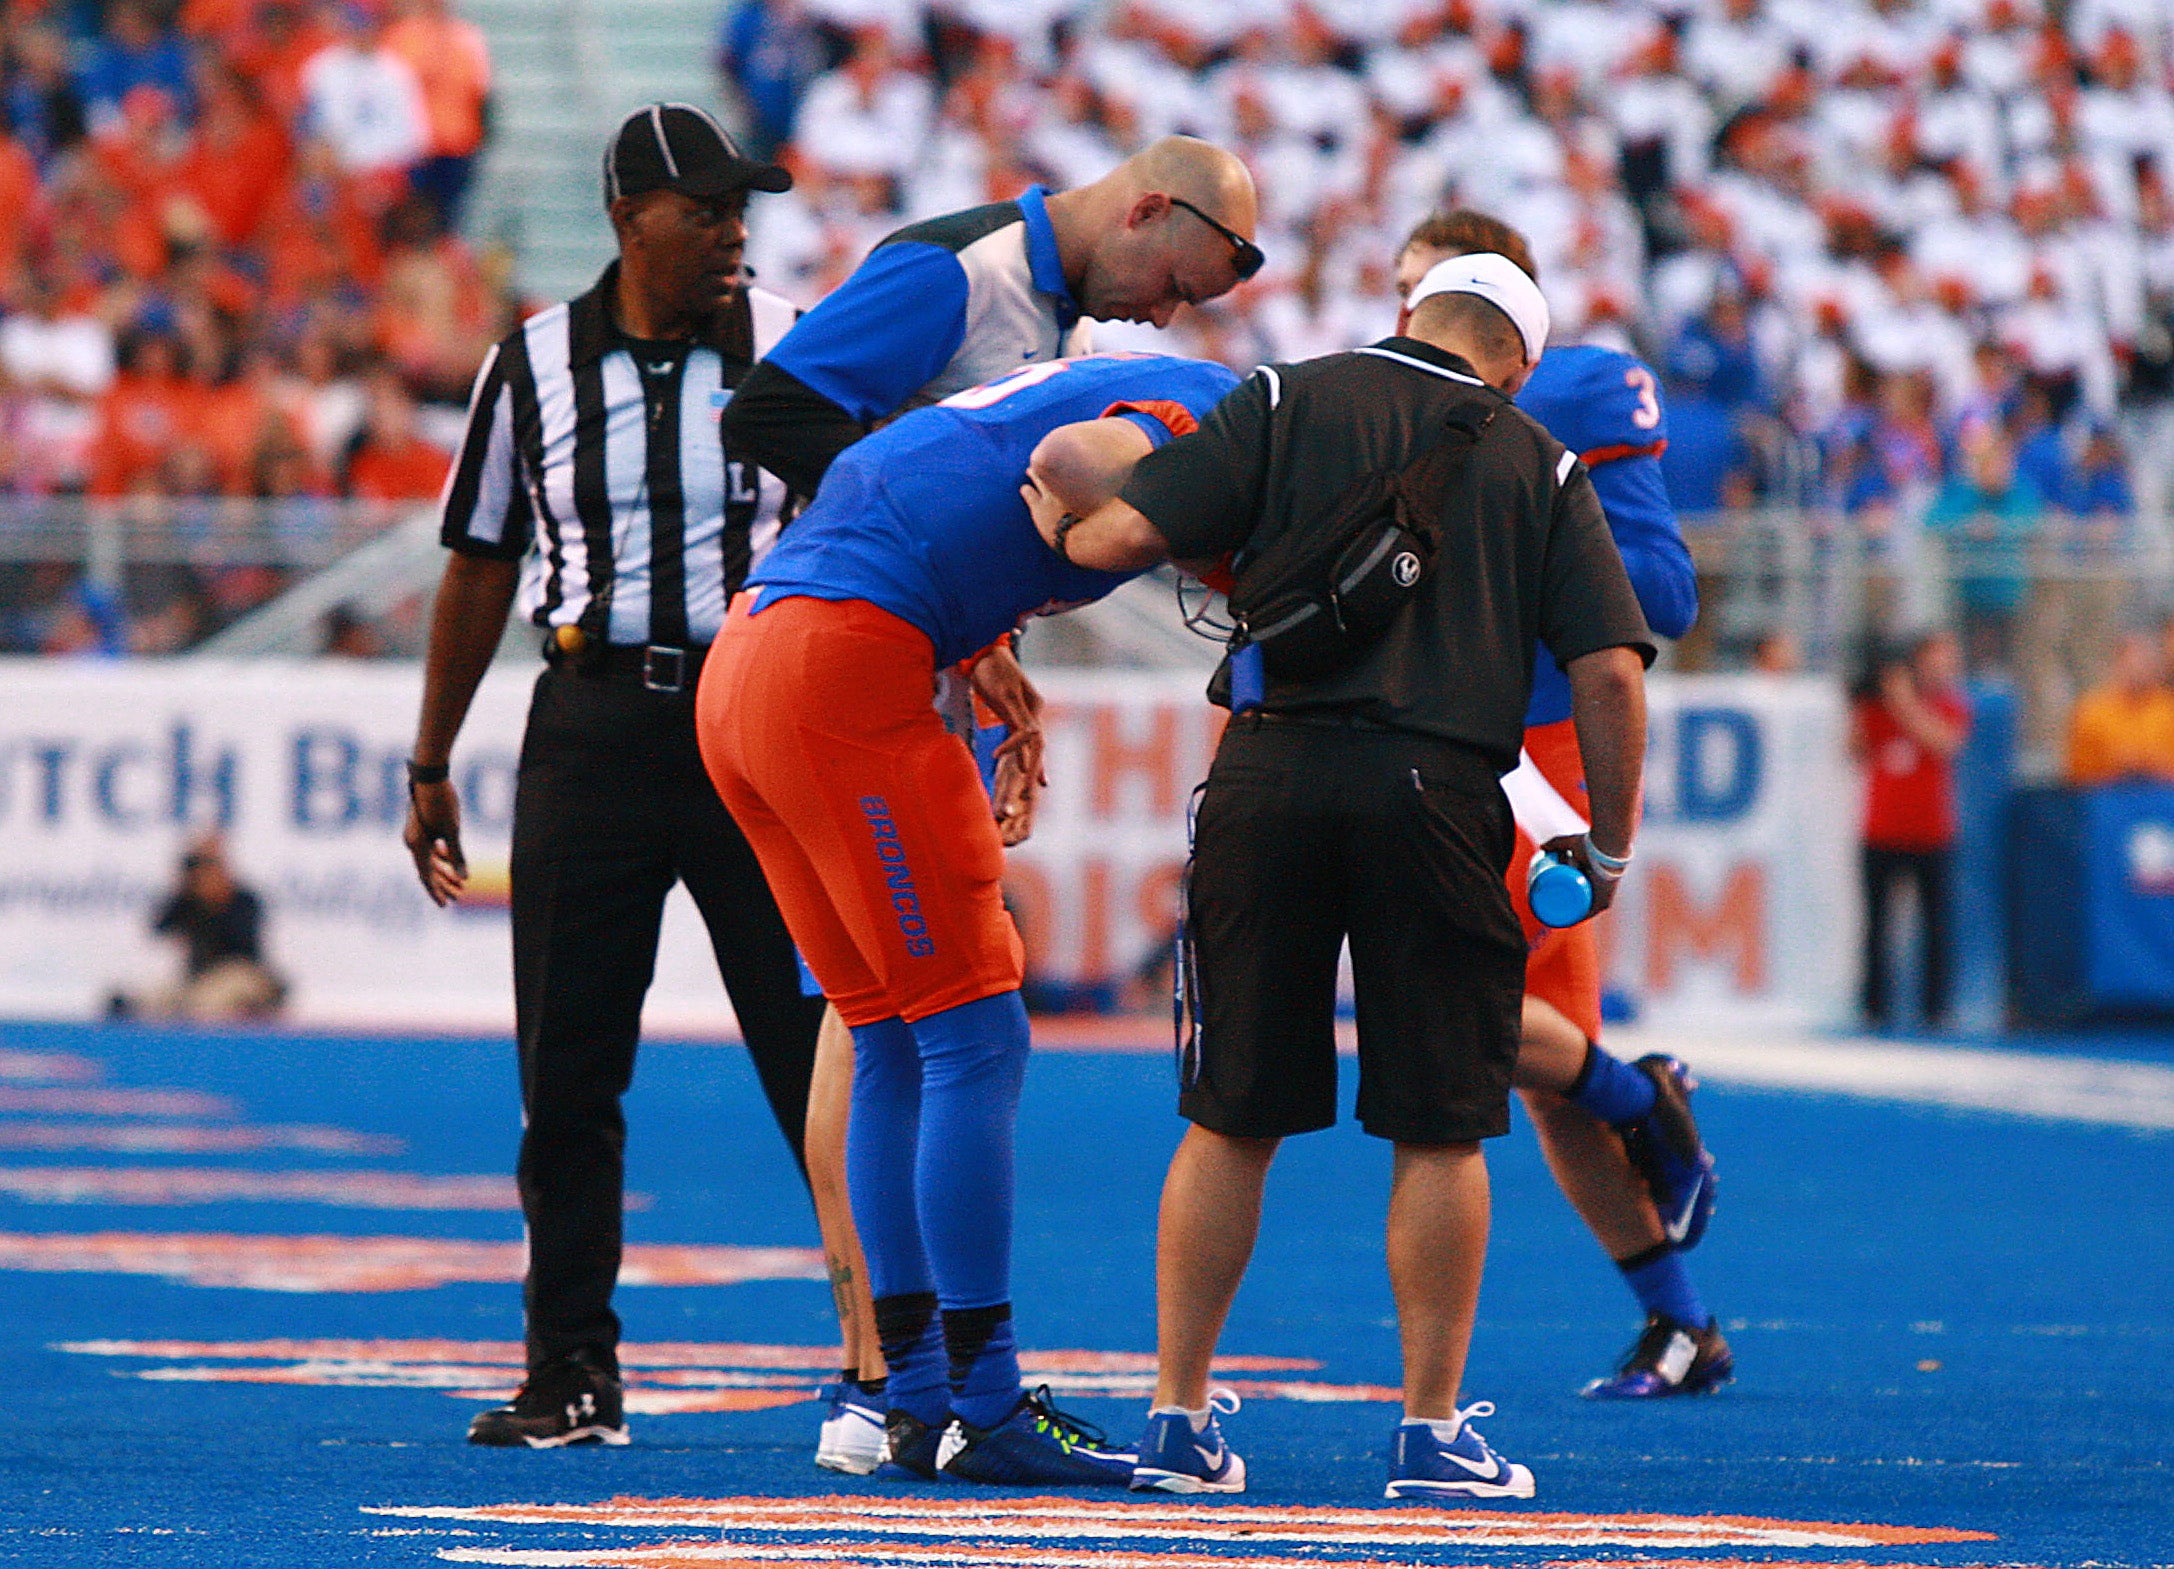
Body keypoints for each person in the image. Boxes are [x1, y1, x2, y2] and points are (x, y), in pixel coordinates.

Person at [1029, 255, 1654, 1502]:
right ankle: (1427, 1433)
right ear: (1516, 363)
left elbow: (1133, 526)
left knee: (1230, 1114)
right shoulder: (1537, 458)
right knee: (1439, 1122)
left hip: (1266, 777)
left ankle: (1176, 1415)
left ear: (1405, 317)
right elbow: (1611, 672)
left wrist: (1052, 510)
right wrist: (1610, 842)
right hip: (1435, 791)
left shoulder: (1283, 394)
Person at [719, 132, 1259, 1472]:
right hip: (847, 659)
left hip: (760, 657)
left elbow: (911, 479)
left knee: (899, 1032)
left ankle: (908, 1390)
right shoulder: (1195, 406)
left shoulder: (1104, 353)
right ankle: (984, 1399)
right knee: (972, 1037)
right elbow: (1076, 468)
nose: (1178, 307)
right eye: (1185, 272)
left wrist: (976, 614)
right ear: (1148, 209)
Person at [401, 103, 829, 1448]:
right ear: (626, 216)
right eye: (704, 211)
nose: (732, 235)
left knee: (817, 1055)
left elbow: (874, 515)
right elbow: (477, 561)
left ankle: (907, 1363)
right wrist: (431, 756)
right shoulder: (527, 364)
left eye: (739, 212)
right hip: (586, 724)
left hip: (750, 723)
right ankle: (570, 1370)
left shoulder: (785, 346)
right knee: (570, 1069)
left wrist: (968, 652)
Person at [1394, 211, 1726, 1400]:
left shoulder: (1578, 391)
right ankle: (1680, 1323)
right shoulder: (1384, 397)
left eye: (1427, 293)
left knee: (1474, 1027)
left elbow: (1663, 594)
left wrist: (1504, 531)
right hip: (1444, 743)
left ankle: (1644, 1098)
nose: (1407, 322)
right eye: (1398, 294)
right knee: (1536, 1070)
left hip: (1530, 755)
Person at [1852, 630, 1970, 1031]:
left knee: (1936, 924)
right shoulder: (1876, 706)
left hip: (1930, 830)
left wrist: (1903, 702)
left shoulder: (1949, 704)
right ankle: (1875, 1006)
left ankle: (1936, 1008)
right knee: (1877, 924)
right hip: (1882, 828)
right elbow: (1856, 749)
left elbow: (1944, 742)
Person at [110, 836, 288, 1023]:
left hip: (240, 973)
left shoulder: (243, 900)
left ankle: (250, 1010)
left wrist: (215, 903)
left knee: (209, 1003)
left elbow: (240, 941)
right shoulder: (188, 901)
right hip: (199, 977)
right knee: (157, 997)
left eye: (210, 869)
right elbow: (159, 928)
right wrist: (184, 892)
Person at [2065, 629, 2174, 786]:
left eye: (2145, 663)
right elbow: (2077, 773)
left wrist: (2151, 763)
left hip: (2162, 799)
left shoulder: (2168, 710)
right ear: (2117, 664)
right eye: (2132, 662)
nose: (2138, 670)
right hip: (2108, 799)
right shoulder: (2092, 711)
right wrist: (2115, 765)